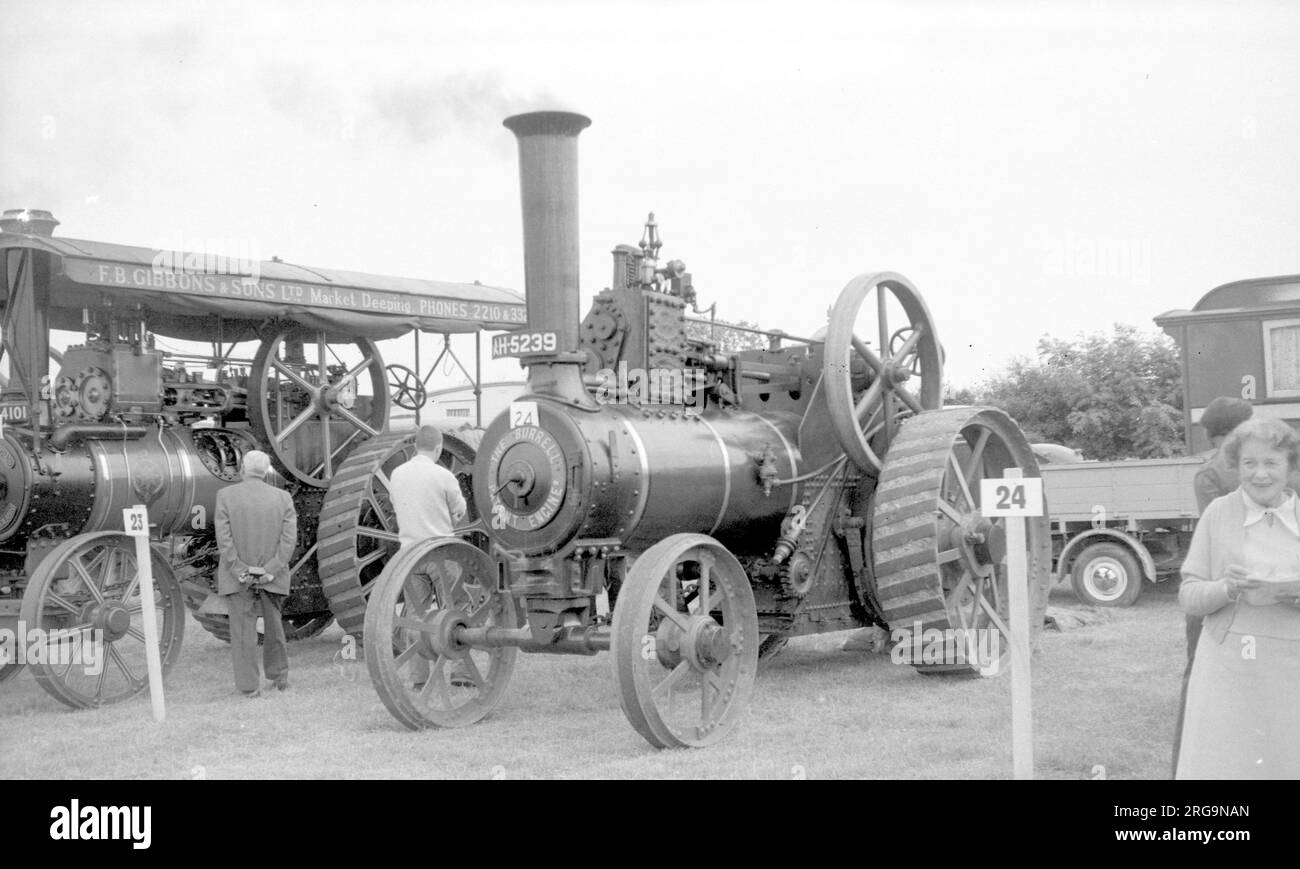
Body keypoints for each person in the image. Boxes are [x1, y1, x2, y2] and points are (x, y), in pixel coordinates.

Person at [1175, 418, 1300, 778]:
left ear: (1290, 467)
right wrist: (1226, 588)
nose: (1260, 474)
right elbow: (1189, 596)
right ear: (1236, 465)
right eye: (1250, 464)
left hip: (1291, 668)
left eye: (1271, 463)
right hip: (1229, 668)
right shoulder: (1218, 513)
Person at [1171, 396, 1253, 773]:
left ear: (1215, 435)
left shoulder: (1209, 475)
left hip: (1220, 587)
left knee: (1199, 673)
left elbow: (1218, 536)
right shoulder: (1284, 466)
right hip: (1269, 587)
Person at [215, 450, 298, 698]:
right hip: (272, 576)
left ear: (242, 468)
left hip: (236, 576)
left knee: (242, 633)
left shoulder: (225, 496)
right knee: (274, 628)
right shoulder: (283, 498)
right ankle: (279, 677)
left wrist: (240, 570)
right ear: (267, 470)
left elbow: (224, 539)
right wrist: (269, 571)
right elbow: (288, 541)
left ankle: (249, 687)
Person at [390, 425, 467, 549]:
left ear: (415, 446)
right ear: (438, 449)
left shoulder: (396, 474)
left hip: (408, 555)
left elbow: (396, 506)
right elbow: (460, 510)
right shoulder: (445, 476)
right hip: (439, 551)